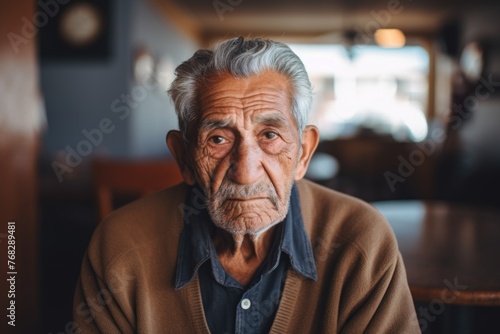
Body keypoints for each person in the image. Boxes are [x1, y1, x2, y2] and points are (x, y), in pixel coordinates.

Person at [73, 36, 420, 333]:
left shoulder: (363, 244)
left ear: (303, 154)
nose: (246, 171)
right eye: (219, 139)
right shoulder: (119, 249)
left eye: (270, 135)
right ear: (184, 158)